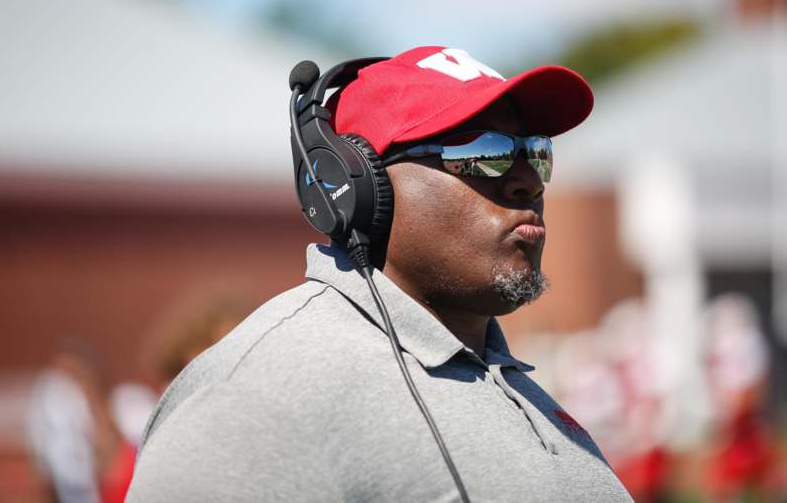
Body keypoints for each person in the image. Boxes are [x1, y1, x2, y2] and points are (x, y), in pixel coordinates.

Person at [126, 46, 632, 502]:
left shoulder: (510, 380)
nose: (527, 182)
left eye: (536, 154)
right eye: (486, 153)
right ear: (355, 184)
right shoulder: (254, 400)